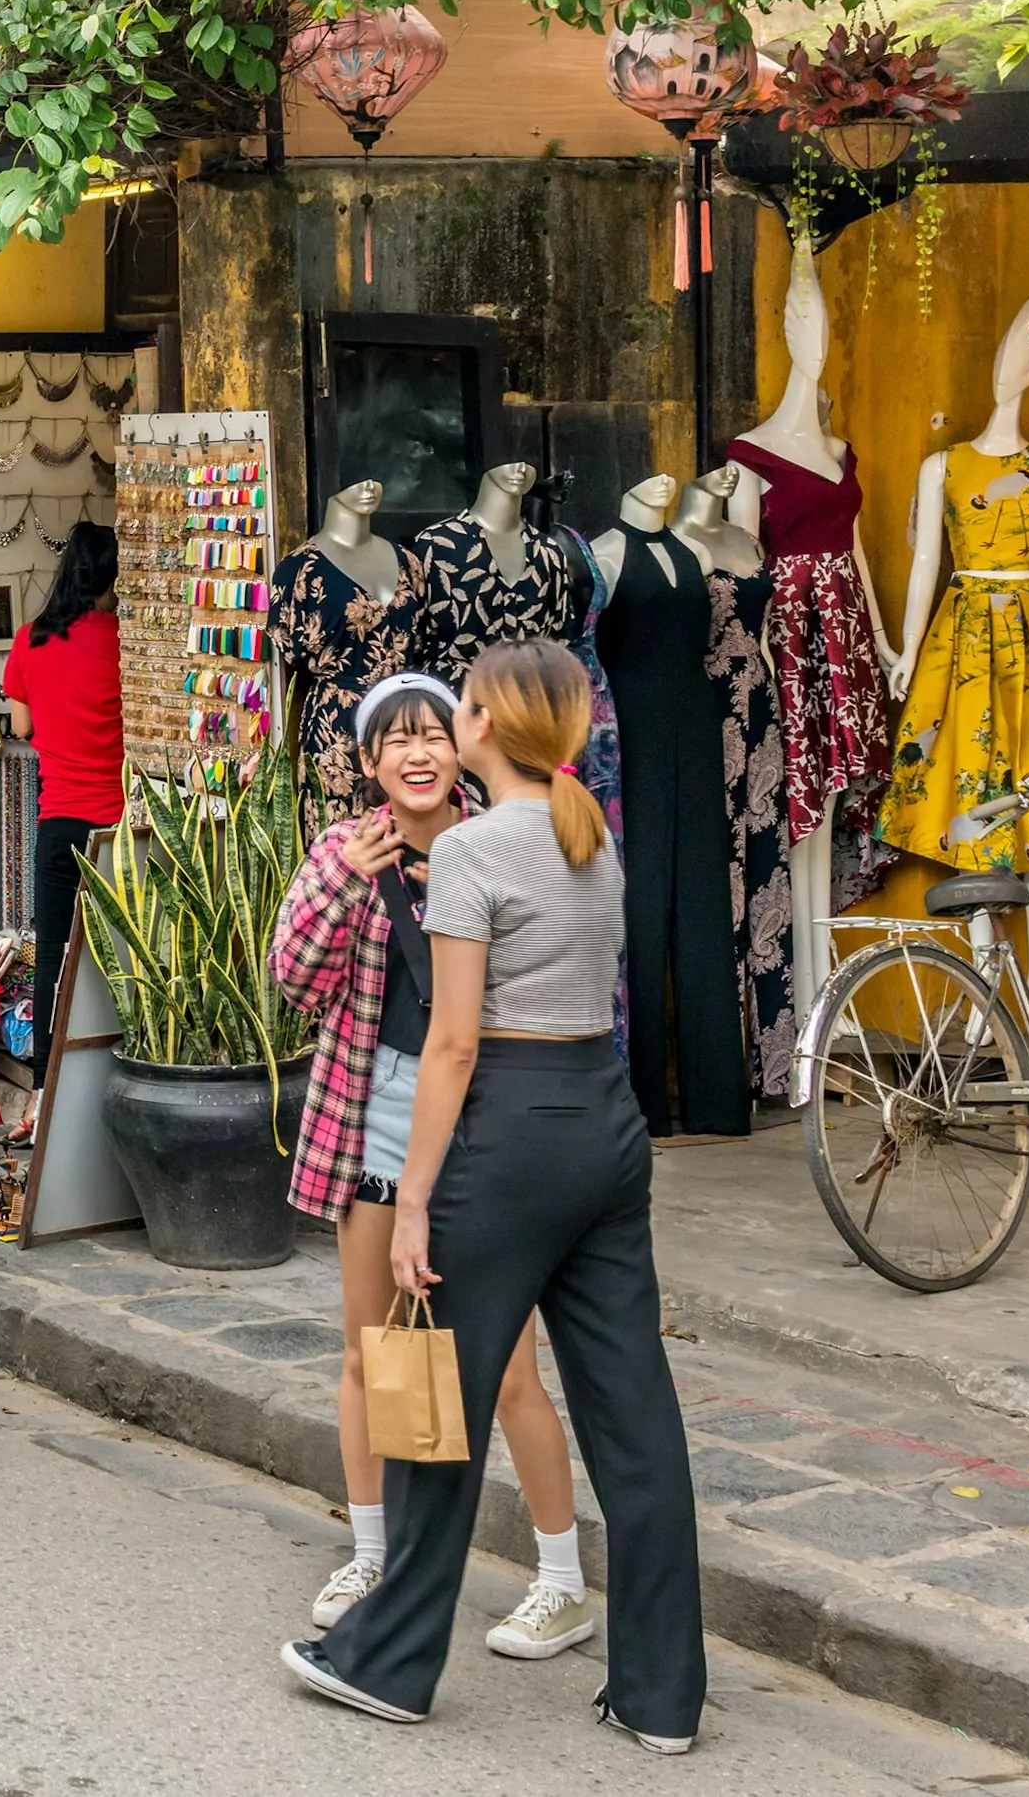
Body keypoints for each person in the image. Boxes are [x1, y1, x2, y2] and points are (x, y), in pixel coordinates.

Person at [288, 639, 704, 1750]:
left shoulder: (472, 849)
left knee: (431, 1392)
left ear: (491, 725)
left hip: (512, 1129)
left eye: (460, 708)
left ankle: (385, 1658)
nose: (445, 725)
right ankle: (663, 1697)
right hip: (606, 1123)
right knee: (638, 1419)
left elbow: (457, 1044)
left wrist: (414, 1194)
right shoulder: (589, 832)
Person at [270, 671, 595, 1654]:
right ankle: (375, 1553)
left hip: (485, 1119)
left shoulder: (500, 840)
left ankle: (563, 1578)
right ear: (367, 764)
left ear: (461, 747)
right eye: (393, 742)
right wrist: (340, 879)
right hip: (376, 1117)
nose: (417, 754)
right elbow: (295, 979)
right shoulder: (344, 851)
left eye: (432, 736)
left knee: (505, 1373)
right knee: (378, 1352)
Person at [0, 521, 123, 1144]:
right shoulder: (126, 642)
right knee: (123, 961)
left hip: (58, 822)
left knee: (53, 958)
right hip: (119, 825)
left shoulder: (30, 640)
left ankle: (44, 1093)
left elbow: (20, 726)